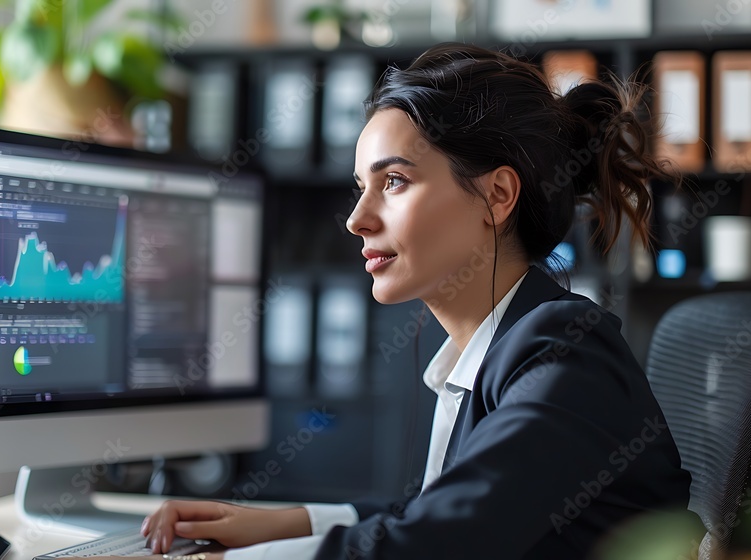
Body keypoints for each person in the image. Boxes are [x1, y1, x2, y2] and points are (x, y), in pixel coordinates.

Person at [137, 43, 704, 559]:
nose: (358, 220)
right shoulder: (498, 348)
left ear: (497, 195)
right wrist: (278, 523)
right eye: (362, 187)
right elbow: (431, 513)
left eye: (395, 182)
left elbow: (439, 543)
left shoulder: (565, 351)